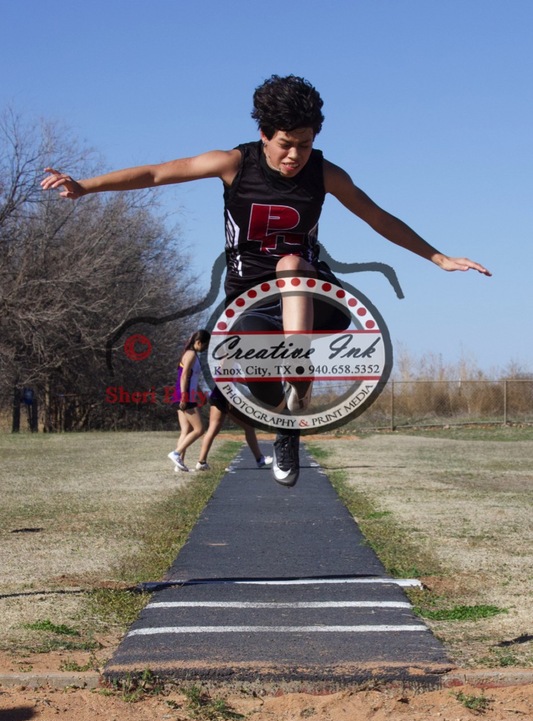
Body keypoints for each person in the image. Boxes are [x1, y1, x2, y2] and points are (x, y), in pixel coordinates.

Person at [41, 74, 491, 488]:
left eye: (306, 144)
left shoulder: (325, 174)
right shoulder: (235, 163)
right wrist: (86, 185)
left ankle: (297, 375)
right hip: (248, 303)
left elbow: (377, 217)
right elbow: (158, 172)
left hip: (314, 300)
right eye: (285, 144)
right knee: (262, 385)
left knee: (291, 262)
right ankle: (287, 420)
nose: (295, 155)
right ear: (264, 136)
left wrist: (438, 257)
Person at [195, 387, 273, 471]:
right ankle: (259, 459)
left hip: (217, 396)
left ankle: (201, 462)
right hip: (225, 397)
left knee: (212, 430)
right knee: (248, 427)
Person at [168, 329, 210, 473]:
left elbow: (193, 378)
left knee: (186, 430)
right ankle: (176, 453)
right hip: (184, 396)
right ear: (198, 342)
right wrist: (185, 396)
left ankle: (179, 465)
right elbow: (184, 376)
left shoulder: (194, 355)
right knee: (199, 429)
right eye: (205, 345)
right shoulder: (191, 354)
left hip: (188, 395)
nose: (206, 348)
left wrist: (200, 394)